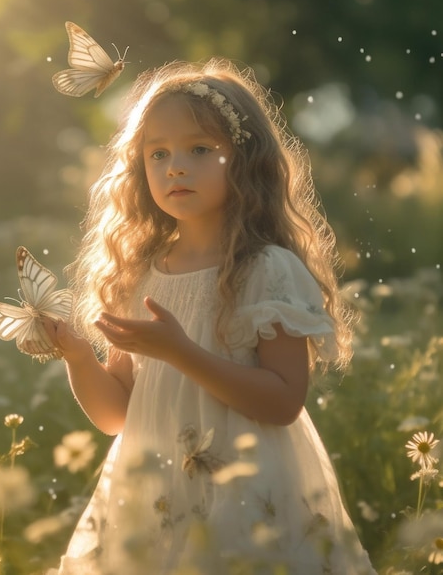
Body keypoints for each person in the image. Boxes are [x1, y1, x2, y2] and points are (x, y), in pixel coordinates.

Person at [43, 58, 377, 574]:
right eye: (158, 153)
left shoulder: (267, 270)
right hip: (154, 493)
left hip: (244, 489)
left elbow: (284, 400)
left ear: (244, 160)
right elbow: (116, 417)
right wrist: (79, 357)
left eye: (200, 149)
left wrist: (181, 353)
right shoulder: (138, 275)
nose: (175, 166)